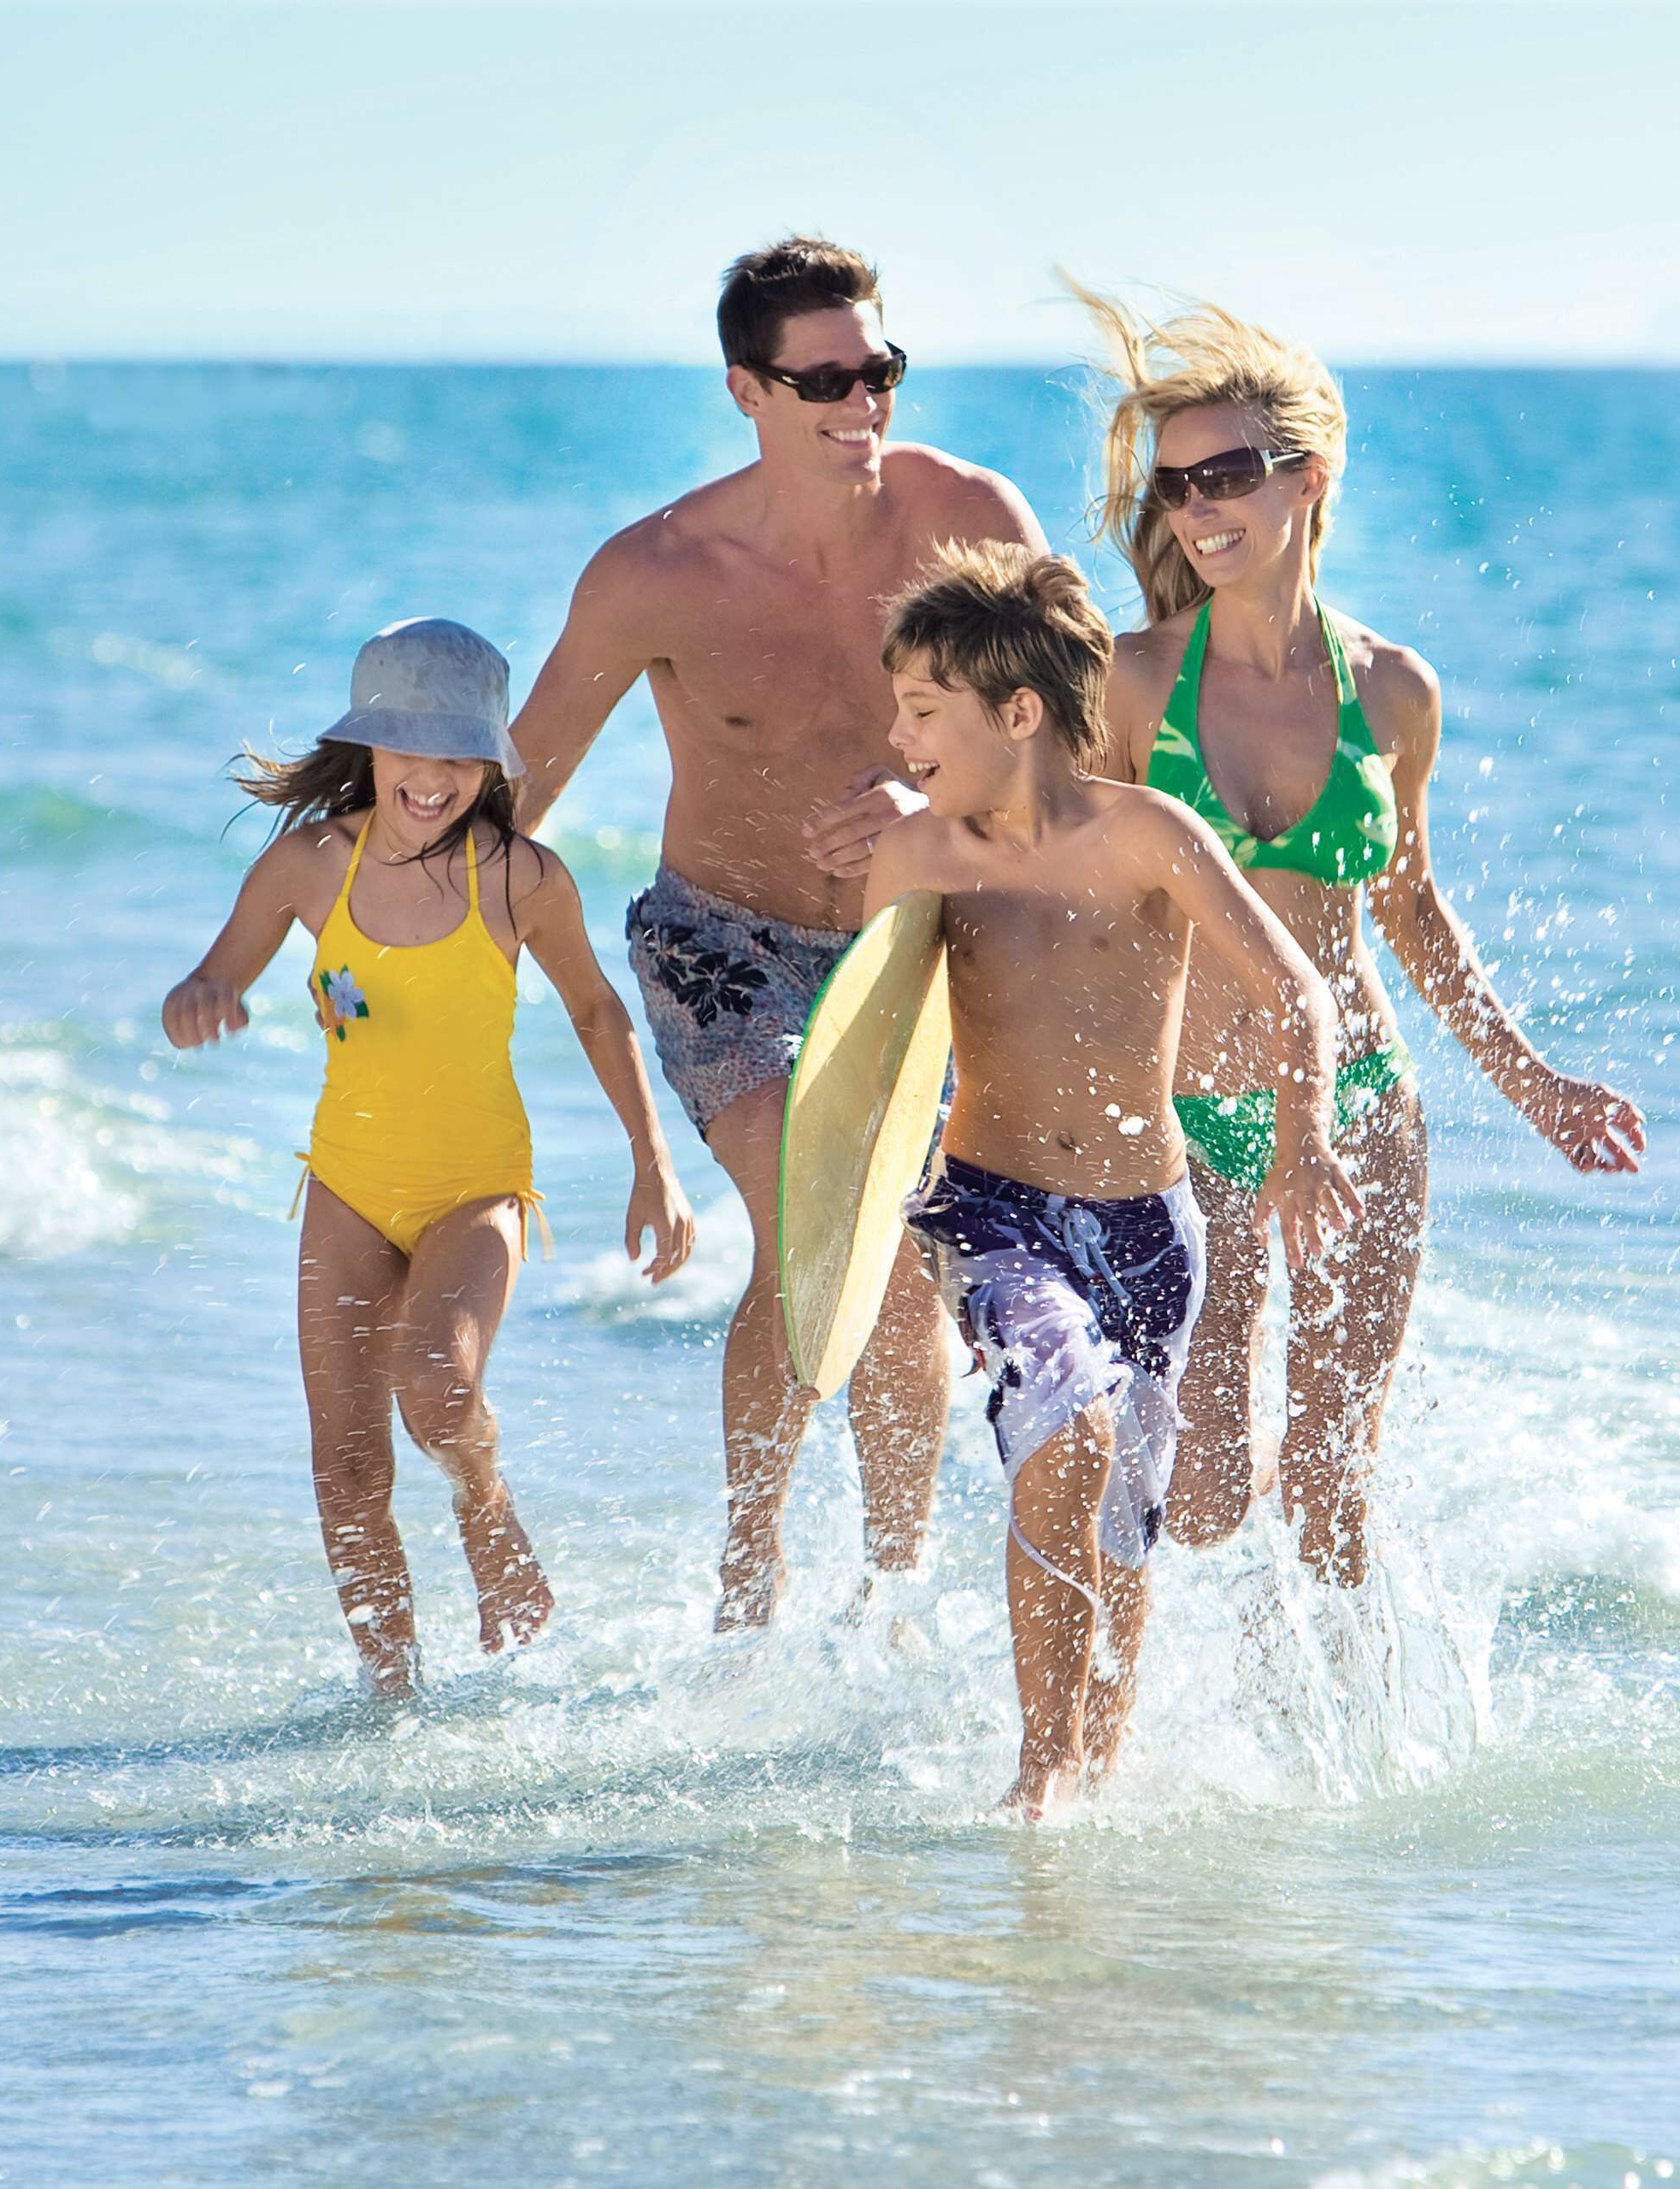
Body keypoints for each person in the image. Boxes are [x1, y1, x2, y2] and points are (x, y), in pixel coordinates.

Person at [508, 235, 1046, 1630]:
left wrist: (927, 789)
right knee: (817, 1215)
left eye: (880, 370)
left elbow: (1075, 725)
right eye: (825, 381)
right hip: (720, 944)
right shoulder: (659, 571)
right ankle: (754, 1568)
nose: (862, 404)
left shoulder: (970, 519)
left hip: (910, 943)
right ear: (748, 389)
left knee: (903, 1242)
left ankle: (896, 1583)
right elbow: (525, 784)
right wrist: (407, 948)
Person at [1073, 286, 1648, 1589]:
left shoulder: (1393, 691)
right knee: (1209, 1480)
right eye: (1176, 489)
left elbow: (1413, 912)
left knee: (1335, 1476)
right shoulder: (1132, 683)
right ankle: (1135, 1709)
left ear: (1308, 478)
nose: (1198, 510)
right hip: (1194, 1116)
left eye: (1225, 475)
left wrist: (1536, 1085)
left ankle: (1343, 1752)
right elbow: (1068, 899)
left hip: (1367, 1108)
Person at [864, 541, 1363, 1819]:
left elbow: (1296, 995)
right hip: (989, 1209)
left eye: (924, 711)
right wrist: (855, 1222)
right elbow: (870, 1059)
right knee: (1067, 1429)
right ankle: (1038, 1776)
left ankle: (1099, 1759)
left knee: (1130, 1510)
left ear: (1015, 714)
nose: (898, 733)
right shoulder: (921, 859)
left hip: (1151, 1221)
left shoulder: (1147, 833)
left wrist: (1302, 1145)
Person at [162, 618, 696, 1696]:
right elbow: (210, 977)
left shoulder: (521, 879)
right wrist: (200, 1001)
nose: (435, 778)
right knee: (348, 1467)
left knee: (438, 1392)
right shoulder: (311, 864)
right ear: (368, 749)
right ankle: (392, 1697)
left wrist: (654, 1162)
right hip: (349, 1190)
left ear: (491, 763)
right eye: (412, 751)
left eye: (460, 755)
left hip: (477, 1187)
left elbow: (598, 1011)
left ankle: (486, 1512)